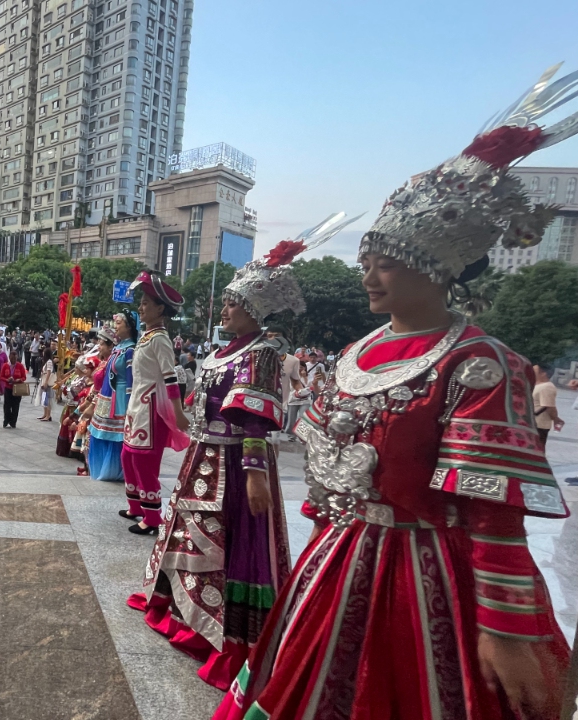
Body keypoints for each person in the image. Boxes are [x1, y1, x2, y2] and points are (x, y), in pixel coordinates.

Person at [216, 78, 575, 720]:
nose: (368, 275)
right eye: (366, 261)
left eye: (385, 261)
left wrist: (505, 626)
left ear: (433, 265)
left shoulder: (480, 362)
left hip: (425, 571)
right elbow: (326, 471)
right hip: (334, 560)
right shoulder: (356, 353)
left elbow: (492, 508)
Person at [129, 216, 361, 690]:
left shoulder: (263, 352)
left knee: (228, 540)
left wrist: (255, 473)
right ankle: (184, 609)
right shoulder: (226, 351)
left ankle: (227, 631)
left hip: (235, 464)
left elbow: (255, 416)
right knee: (188, 529)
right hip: (203, 455)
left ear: (255, 309)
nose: (225, 309)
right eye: (227, 302)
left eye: (233, 303)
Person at [120, 272, 191, 534]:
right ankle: (135, 506)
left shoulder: (160, 339)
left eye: (145, 303)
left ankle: (152, 518)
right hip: (138, 406)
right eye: (140, 303)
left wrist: (178, 412)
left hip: (151, 409)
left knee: (144, 461)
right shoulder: (147, 336)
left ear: (160, 309)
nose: (140, 308)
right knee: (128, 456)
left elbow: (170, 378)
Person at [87, 312, 136, 480]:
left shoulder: (130, 350)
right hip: (107, 395)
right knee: (100, 433)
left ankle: (116, 471)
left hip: (120, 398)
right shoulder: (118, 348)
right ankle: (104, 469)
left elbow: (131, 381)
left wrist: (130, 405)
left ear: (129, 326)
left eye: (119, 323)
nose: (116, 326)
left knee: (116, 436)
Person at [533, 362, 564, 444]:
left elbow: (550, 407)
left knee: (537, 447)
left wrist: (555, 419)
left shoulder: (547, 387)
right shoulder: (538, 385)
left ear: (543, 373)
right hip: (534, 423)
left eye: (534, 370)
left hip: (539, 424)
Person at [0, 348, 29, 428]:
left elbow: (24, 377)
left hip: (17, 388)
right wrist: (7, 380)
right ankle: (6, 420)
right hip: (8, 388)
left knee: (15, 406)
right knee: (7, 405)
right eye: (12, 358)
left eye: (15, 359)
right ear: (9, 357)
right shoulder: (5, 365)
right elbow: (1, 376)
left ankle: (13, 422)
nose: (13, 360)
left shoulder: (20, 366)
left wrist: (19, 380)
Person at [37, 347, 57, 421]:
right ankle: (45, 414)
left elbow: (49, 372)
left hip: (47, 382)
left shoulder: (49, 362)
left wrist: (46, 382)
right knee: (44, 398)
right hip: (44, 380)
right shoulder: (46, 361)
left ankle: (48, 415)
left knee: (47, 398)